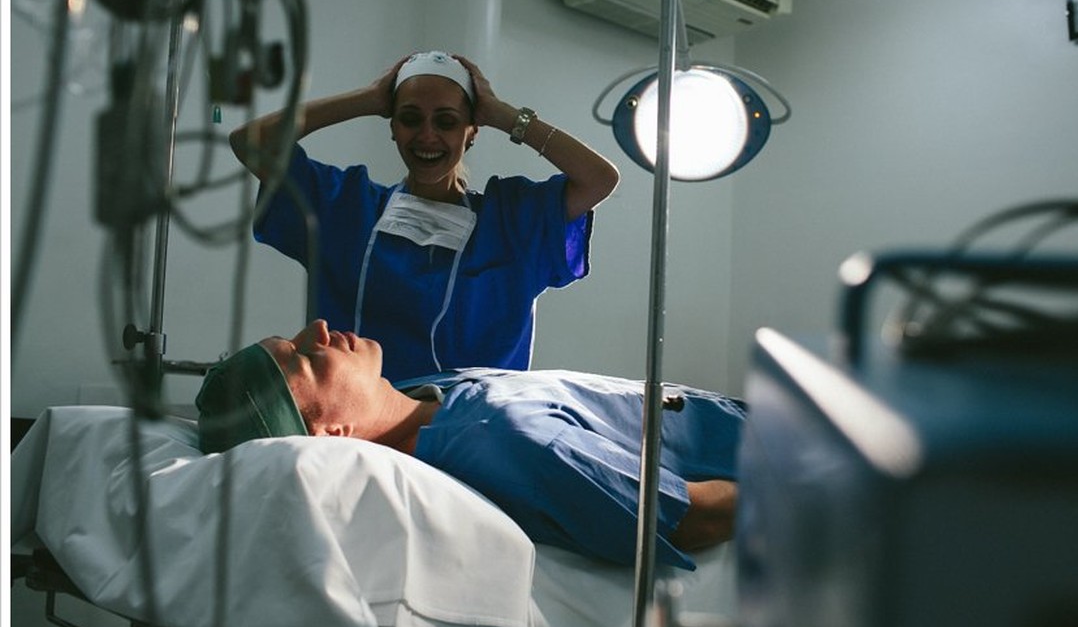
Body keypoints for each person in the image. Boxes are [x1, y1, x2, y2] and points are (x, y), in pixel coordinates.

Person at [195, 319, 742, 570]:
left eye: (294, 338)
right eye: (308, 359)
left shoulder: (426, 397)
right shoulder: (508, 442)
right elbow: (690, 518)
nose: (318, 329)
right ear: (329, 436)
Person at [229, 51, 620, 382]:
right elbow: (252, 142)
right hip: (359, 430)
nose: (427, 135)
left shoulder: (512, 222)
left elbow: (599, 178)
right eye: (410, 119)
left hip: (470, 435)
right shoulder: (344, 208)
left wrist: (502, 114)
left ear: (472, 132)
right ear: (393, 128)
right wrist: (368, 99)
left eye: (447, 121)